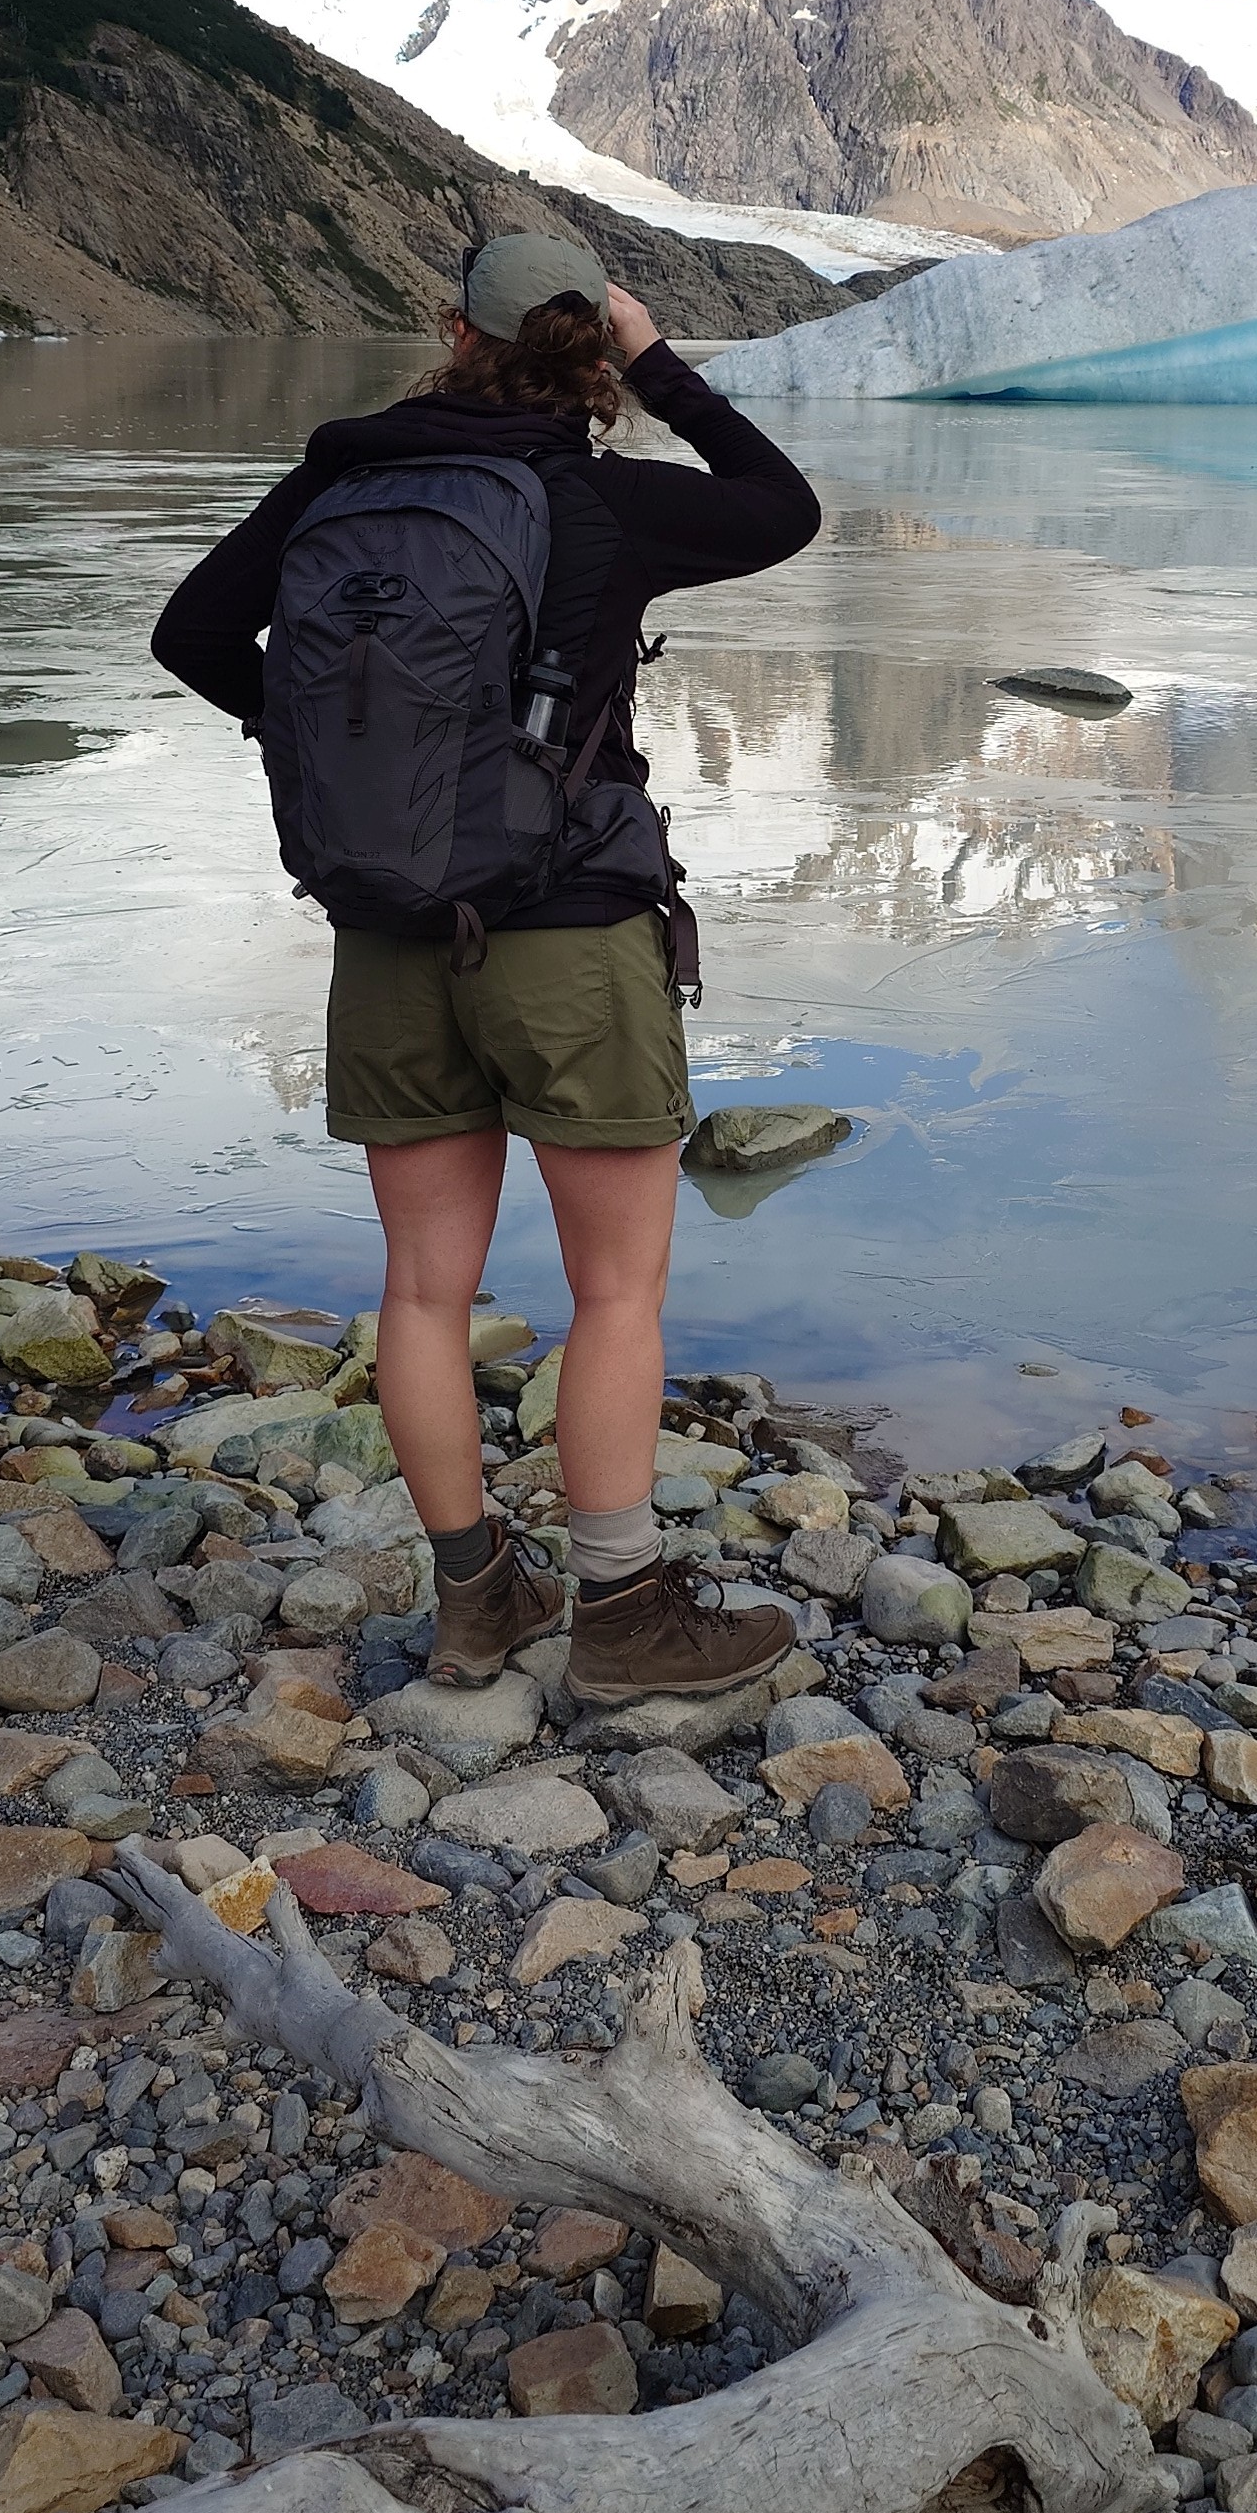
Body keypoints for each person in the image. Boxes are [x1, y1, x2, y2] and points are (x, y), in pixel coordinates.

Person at [151, 232, 823, 1706]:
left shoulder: (344, 474)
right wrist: (662, 373)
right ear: (592, 348)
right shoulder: (596, 497)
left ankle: (475, 1606)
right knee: (615, 1293)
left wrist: (326, 745)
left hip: (388, 934)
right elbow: (783, 507)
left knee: (422, 1292)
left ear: (448, 330)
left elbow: (191, 631)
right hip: (569, 933)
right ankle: (624, 1617)